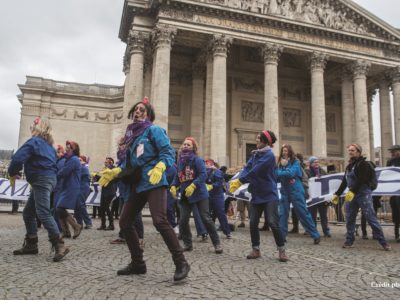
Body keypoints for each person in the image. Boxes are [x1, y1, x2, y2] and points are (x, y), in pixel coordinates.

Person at [102, 97, 190, 281]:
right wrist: (115, 171)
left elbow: (167, 153)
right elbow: (128, 163)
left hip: (154, 180)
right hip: (137, 183)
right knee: (125, 221)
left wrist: (160, 167)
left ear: (148, 113)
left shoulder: (154, 130)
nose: (137, 111)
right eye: (135, 109)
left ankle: (181, 262)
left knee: (159, 220)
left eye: (141, 109)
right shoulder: (131, 136)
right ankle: (138, 264)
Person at [8, 117, 68, 261]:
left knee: (43, 212)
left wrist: (12, 172)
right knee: (28, 213)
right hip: (48, 178)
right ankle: (31, 244)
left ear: (36, 128)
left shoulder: (34, 141)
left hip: (40, 179)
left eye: (32, 127)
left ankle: (59, 244)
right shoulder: (50, 147)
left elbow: (17, 158)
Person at [229, 130, 288, 261]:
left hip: (269, 194)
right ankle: (256, 249)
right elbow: (247, 168)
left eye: (258, 138)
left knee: (273, 222)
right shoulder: (255, 155)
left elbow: (256, 171)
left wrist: (240, 181)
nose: (255, 140)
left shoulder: (269, 156)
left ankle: (282, 250)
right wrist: (239, 178)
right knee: (253, 222)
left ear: (265, 141)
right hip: (256, 194)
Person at [332, 143, 391, 250]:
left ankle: (383, 242)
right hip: (352, 195)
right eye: (349, 150)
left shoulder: (363, 164)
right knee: (350, 218)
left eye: (352, 150)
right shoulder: (349, 166)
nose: (350, 152)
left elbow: (362, 179)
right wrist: (337, 194)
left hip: (363, 194)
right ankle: (349, 241)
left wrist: (353, 191)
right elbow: (345, 181)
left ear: (358, 152)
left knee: (371, 217)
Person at [171, 137, 223, 254]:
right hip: (186, 195)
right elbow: (178, 176)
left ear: (193, 147)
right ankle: (188, 244)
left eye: (188, 145)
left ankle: (217, 243)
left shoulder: (197, 160)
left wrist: (193, 185)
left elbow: (203, 174)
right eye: (184, 144)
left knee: (206, 219)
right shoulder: (180, 161)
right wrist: (174, 185)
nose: (185, 146)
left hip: (200, 194)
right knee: (183, 221)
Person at [277, 144, 321, 245]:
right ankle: (282, 236)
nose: (284, 152)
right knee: (282, 214)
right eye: (283, 151)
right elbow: (276, 175)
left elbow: (291, 173)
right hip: (285, 191)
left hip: (296, 190)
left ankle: (315, 234)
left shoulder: (295, 162)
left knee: (303, 213)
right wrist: (281, 171)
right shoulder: (279, 163)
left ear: (290, 152)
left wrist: (282, 171)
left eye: (286, 151)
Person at [56, 140, 83, 239]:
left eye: (68, 147)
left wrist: (55, 175)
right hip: (67, 186)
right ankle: (66, 231)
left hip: (72, 187)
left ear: (73, 149)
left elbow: (65, 172)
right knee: (59, 209)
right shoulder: (70, 159)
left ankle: (76, 226)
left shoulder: (74, 159)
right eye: (66, 146)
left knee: (59, 208)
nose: (66, 148)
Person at [205, 159, 231, 239]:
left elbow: (219, 182)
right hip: (208, 195)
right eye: (206, 164)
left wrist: (212, 185)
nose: (207, 165)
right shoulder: (206, 172)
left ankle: (227, 232)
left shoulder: (217, 172)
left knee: (221, 213)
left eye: (209, 164)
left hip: (217, 195)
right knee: (206, 214)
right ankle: (205, 232)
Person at [306, 156, 330, 237]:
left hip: (321, 197)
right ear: (311, 163)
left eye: (317, 162)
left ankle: (326, 231)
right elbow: (306, 180)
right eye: (314, 162)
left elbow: (327, 180)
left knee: (324, 216)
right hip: (312, 197)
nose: (316, 164)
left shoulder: (322, 171)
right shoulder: (307, 171)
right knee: (312, 216)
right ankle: (313, 231)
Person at [96, 157, 117, 230]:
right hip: (104, 190)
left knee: (106, 208)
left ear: (111, 163)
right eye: (105, 162)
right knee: (102, 208)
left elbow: (112, 179)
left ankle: (111, 225)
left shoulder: (114, 170)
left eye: (106, 162)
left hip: (110, 191)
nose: (105, 164)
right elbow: (102, 178)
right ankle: (103, 224)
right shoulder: (104, 169)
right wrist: (96, 176)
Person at [74, 155, 93, 229]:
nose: (78, 161)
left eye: (80, 160)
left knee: (80, 204)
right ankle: (79, 223)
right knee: (76, 205)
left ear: (84, 161)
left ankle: (88, 222)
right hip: (78, 188)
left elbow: (76, 175)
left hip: (83, 188)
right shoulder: (80, 168)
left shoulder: (84, 168)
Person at [386, 144, 400, 242]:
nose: (392, 153)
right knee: (396, 214)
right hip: (395, 193)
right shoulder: (390, 162)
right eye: (391, 152)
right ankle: (396, 234)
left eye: (394, 151)